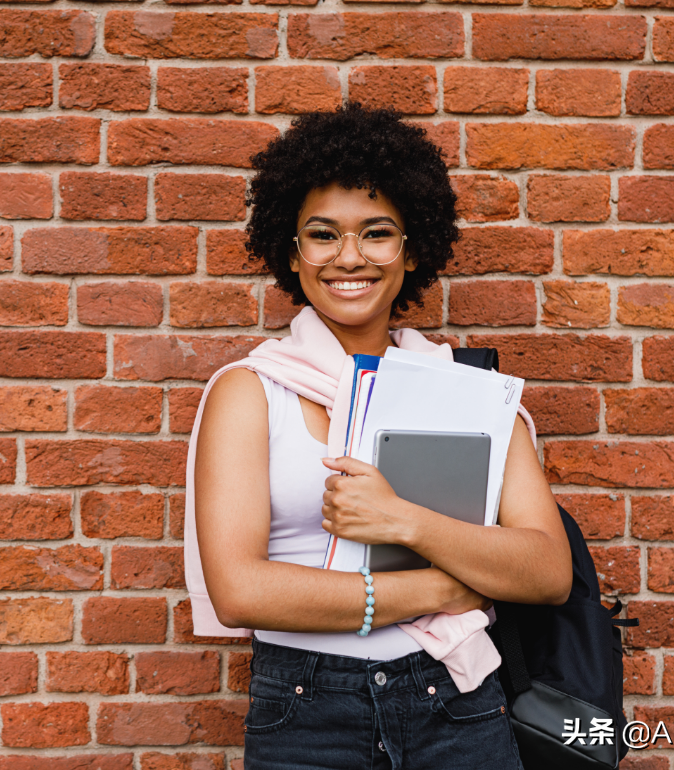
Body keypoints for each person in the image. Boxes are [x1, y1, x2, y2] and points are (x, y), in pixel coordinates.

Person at [185, 105, 573, 769]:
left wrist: (406, 522)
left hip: (455, 699)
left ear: (412, 247)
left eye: (377, 233)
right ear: (292, 250)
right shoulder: (251, 392)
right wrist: (434, 591)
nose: (350, 258)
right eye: (323, 235)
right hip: (306, 711)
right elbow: (241, 591)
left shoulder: (468, 394)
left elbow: (547, 570)